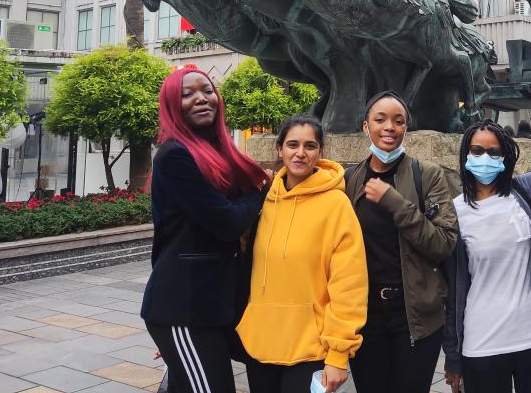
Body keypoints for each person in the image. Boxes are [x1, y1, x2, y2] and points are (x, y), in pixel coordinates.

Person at [141, 68, 271, 393]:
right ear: (173, 105)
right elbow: (227, 222)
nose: (201, 98)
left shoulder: (217, 151)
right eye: (187, 94)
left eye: (207, 90)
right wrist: (261, 189)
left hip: (212, 305)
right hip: (185, 307)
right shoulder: (174, 155)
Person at [236, 115, 368, 393]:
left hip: (311, 347)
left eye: (310, 146)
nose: (300, 153)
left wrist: (338, 354)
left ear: (320, 152)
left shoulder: (336, 204)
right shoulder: (262, 199)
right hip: (260, 343)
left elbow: (349, 285)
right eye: (292, 144)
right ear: (279, 149)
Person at [343, 91, 459, 393]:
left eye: (398, 121)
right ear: (365, 126)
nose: (389, 128)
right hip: (366, 316)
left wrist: (394, 202)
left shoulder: (428, 175)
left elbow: (443, 242)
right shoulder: (350, 179)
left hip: (415, 318)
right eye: (380, 119)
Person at [443, 120, 531, 393]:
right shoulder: (455, 212)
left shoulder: (527, 192)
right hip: (482, 343)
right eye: (477, 150)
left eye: (494, 152)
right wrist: (452, 355)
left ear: (505, 157)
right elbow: (451, 289)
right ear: (465, 155)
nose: (485, 158)